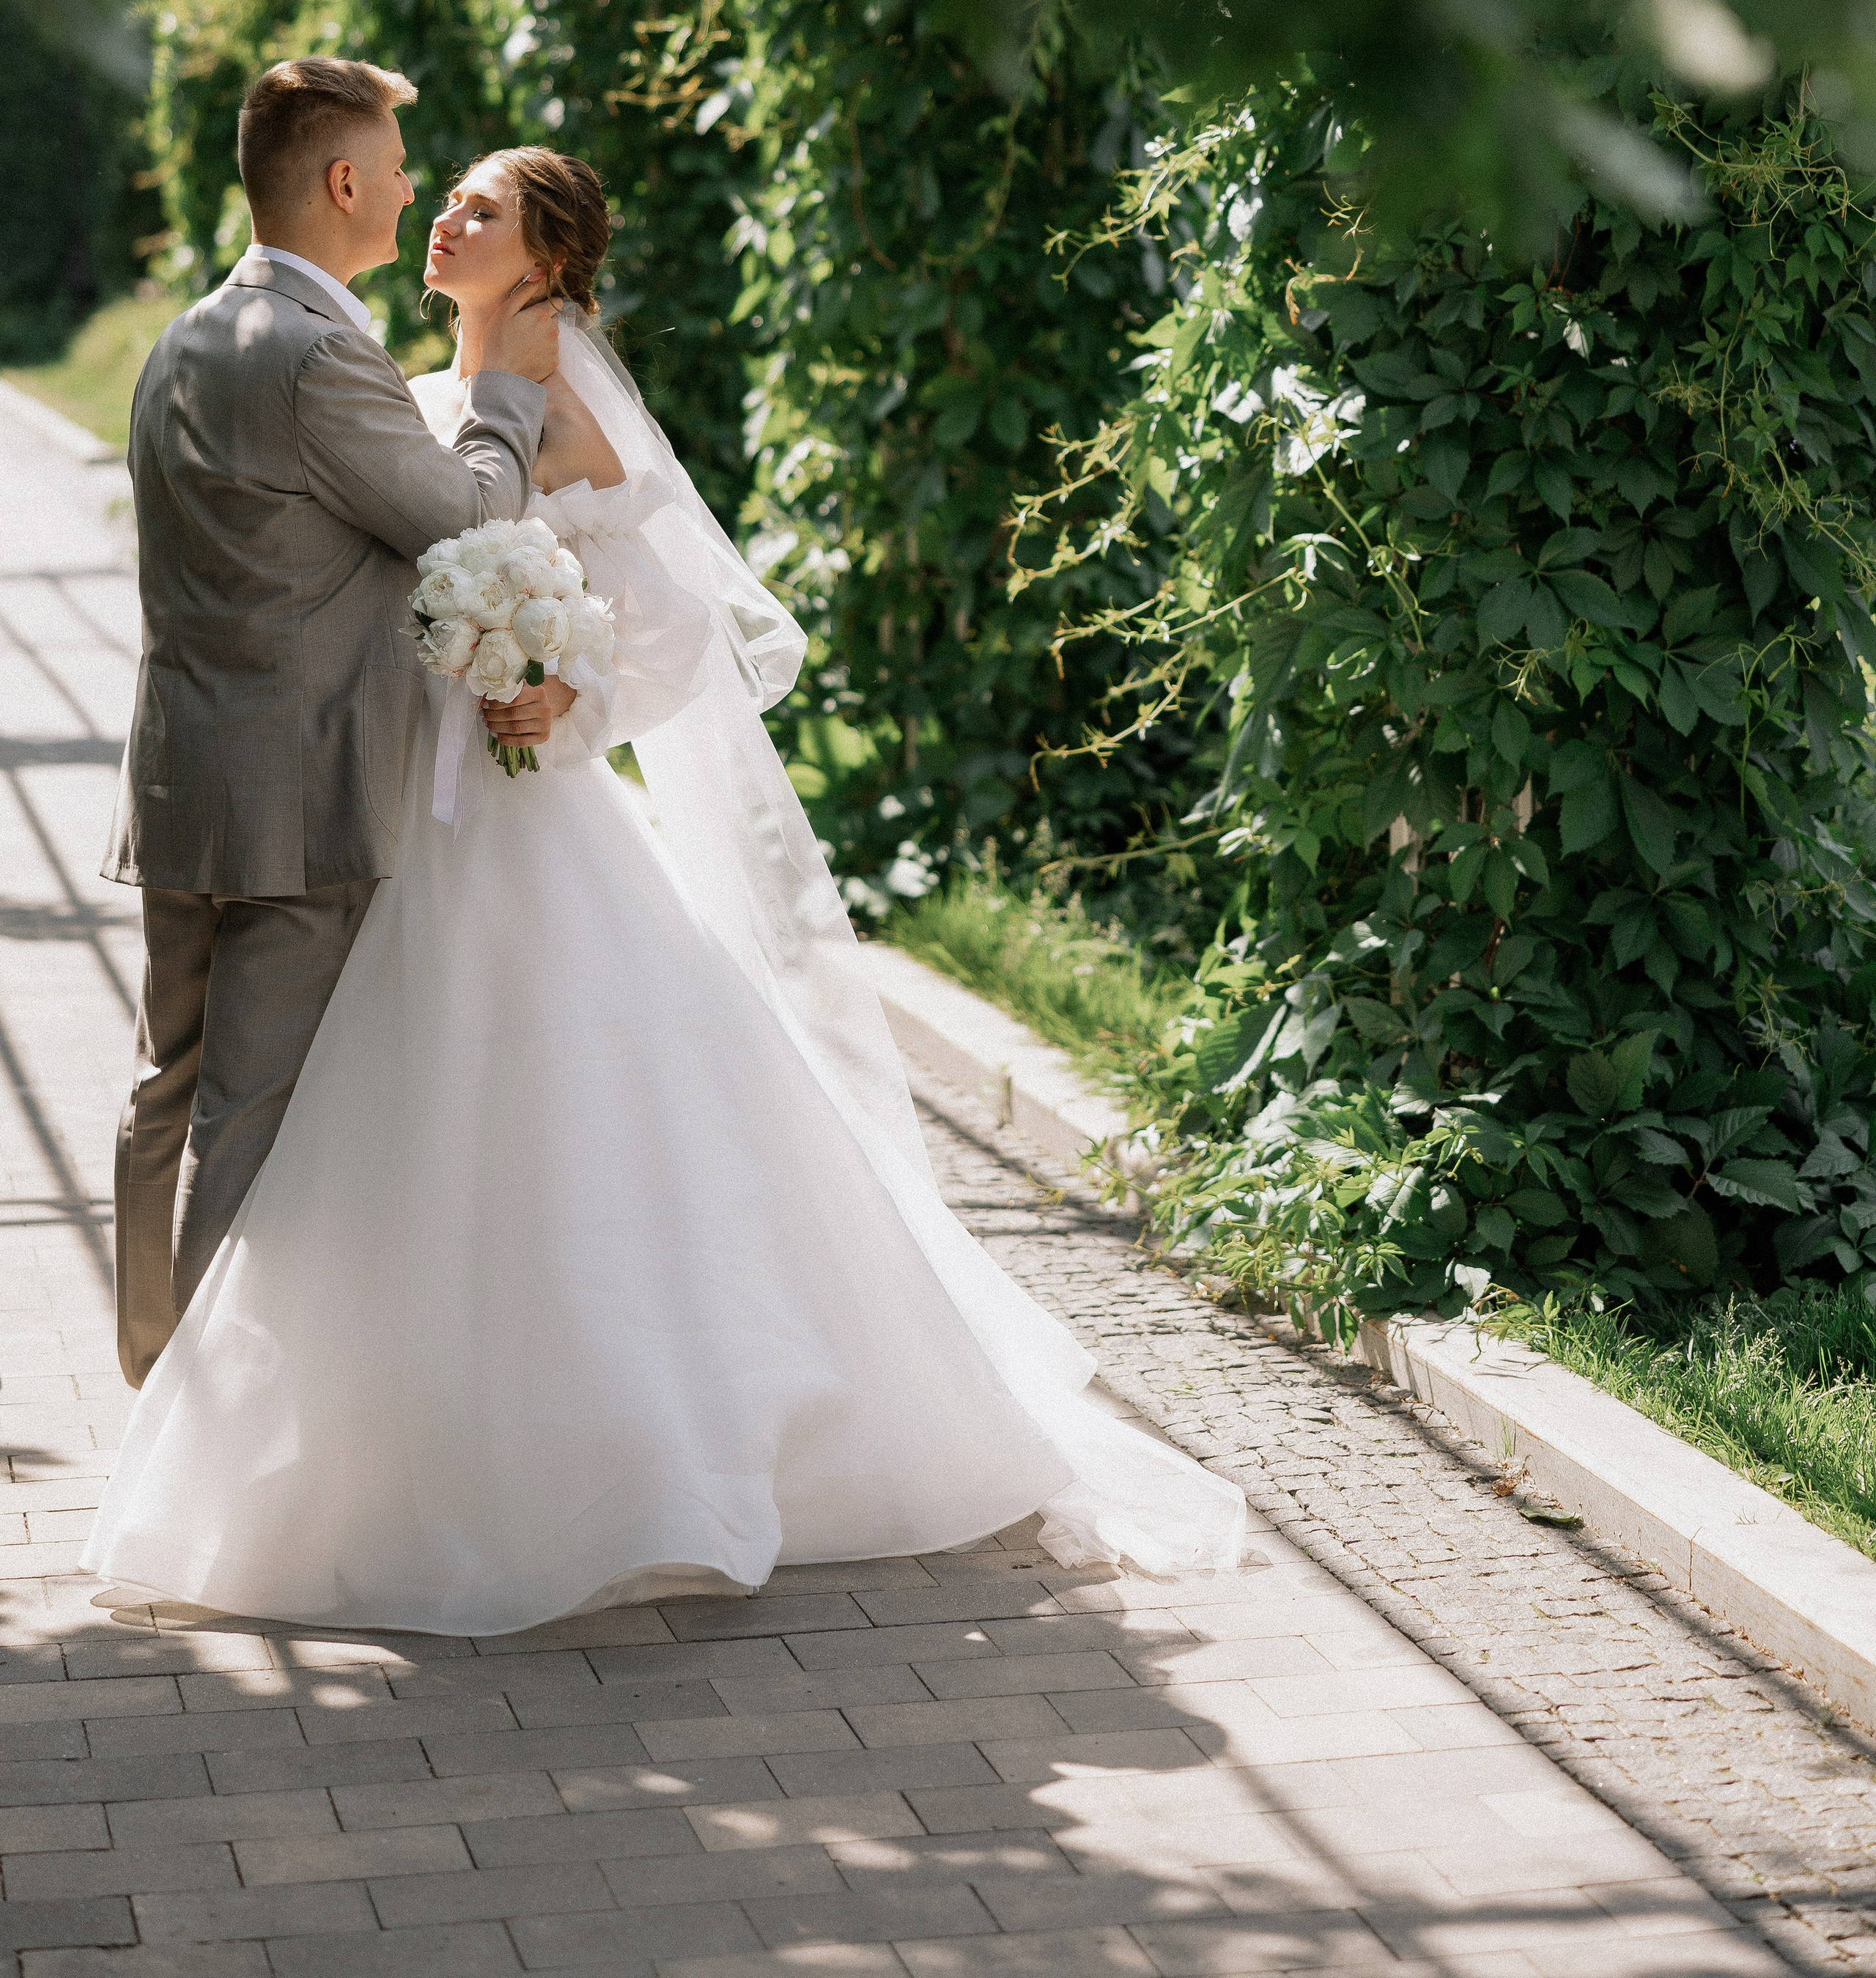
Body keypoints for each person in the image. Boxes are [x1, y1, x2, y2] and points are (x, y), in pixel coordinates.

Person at [84, 147, 1246, 1634]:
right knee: (393, 1121)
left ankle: (623, 1446)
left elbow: (664, 626)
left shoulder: (556, 387)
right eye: (441, 198)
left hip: (517, 817)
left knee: (554, 1117)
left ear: (548, 263)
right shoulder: (422, 383)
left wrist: (554, 699)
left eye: (481, 210)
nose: (444, 216)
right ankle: (367, 1421)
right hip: (413, 820)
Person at [101, 61, 559, 1391]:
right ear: (344, 181)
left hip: (187, 776)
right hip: (296, 794)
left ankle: (147, 1375)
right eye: (402, 168)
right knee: (246, 1121)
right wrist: (510, 400)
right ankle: (205, 1446)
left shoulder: (188, 333)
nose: (415, 191)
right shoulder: (316, 354)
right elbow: (469, 517)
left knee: (163, 1096)